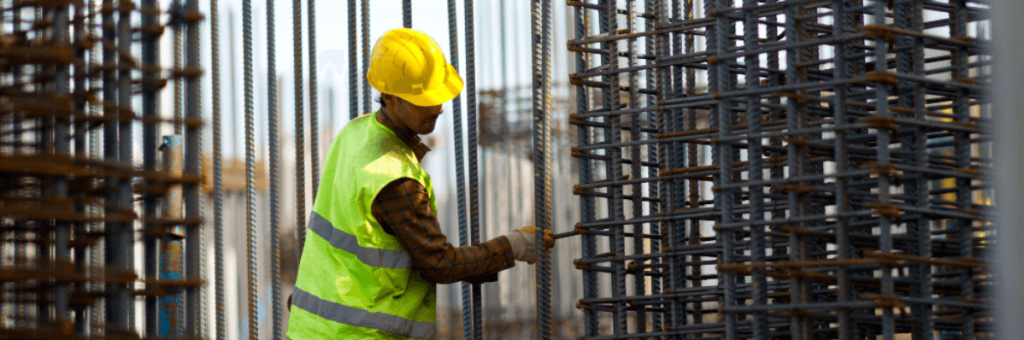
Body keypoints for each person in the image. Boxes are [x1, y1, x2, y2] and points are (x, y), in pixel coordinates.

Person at [286, 28, 555, 340]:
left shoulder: (355, 133)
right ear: (389, 96)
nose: (438, 108)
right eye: (423, 100)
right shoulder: (393, 177)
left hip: (313, 327)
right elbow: (440, 263)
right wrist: (516, 245)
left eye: (438, 97)